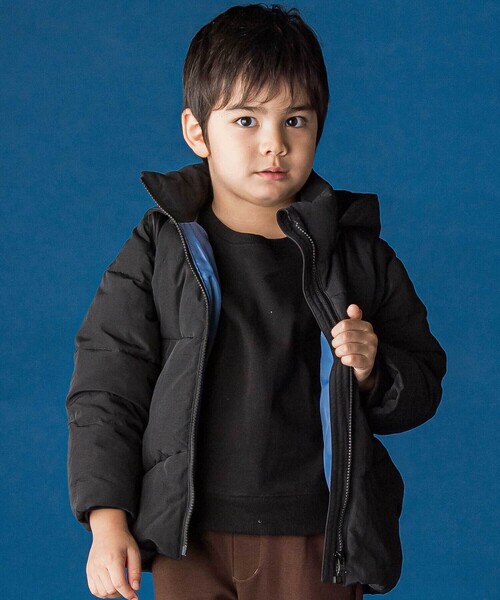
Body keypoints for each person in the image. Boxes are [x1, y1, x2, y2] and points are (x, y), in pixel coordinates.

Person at [65, 4, 446, 600]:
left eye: (295, 120)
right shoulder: (159, 249)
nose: (274, 144)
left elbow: (423, 382)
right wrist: (107, 519)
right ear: (197, 132)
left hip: (317, 536)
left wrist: (373, 372)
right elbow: (107, 387)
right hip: (188, 536)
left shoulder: (358, 255)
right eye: (246, 119)